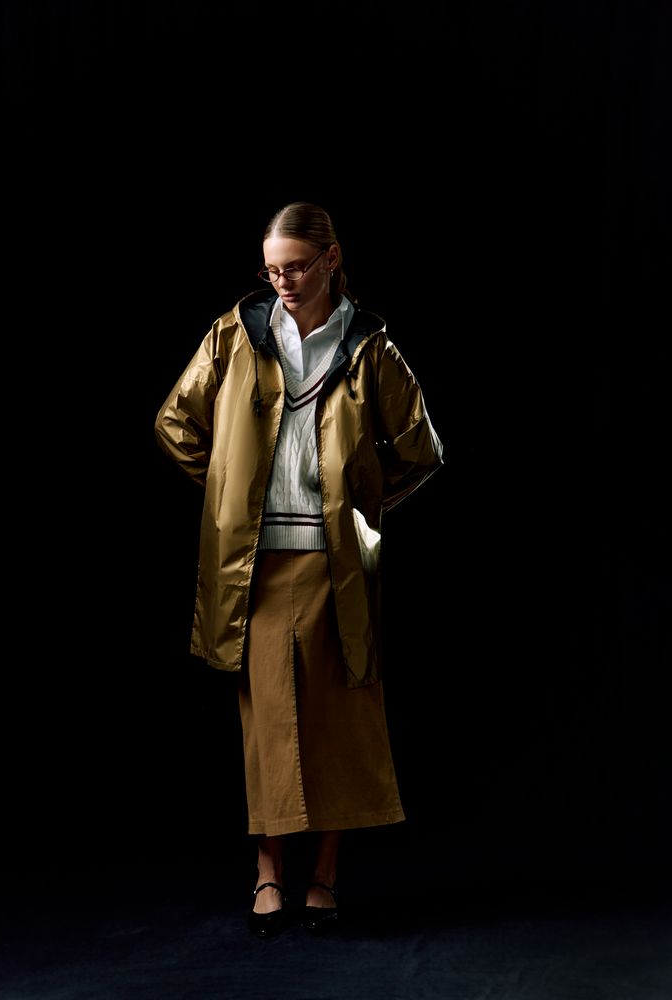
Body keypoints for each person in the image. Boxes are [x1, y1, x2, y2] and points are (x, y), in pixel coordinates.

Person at [154, 201, 443, 937]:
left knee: (339, 718)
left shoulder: (370, 346)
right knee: (268, 724)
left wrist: (361, 507)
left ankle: (324, 877)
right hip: (252, 565)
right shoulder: (235, 334)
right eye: (271, 270)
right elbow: (175, 422)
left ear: (331, 260)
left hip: (335, 562)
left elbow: (419, 450)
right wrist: (232, 494)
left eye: (295, 267)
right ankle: (267, 876)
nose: (281, 281)